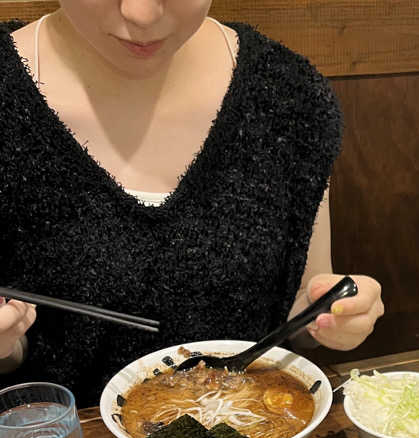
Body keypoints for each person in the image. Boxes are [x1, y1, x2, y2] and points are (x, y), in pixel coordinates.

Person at [0, 1, 383, 405]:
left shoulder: (290, 96)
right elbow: (17, 353)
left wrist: (333, 313)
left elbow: (302, 302)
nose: (142, 15)